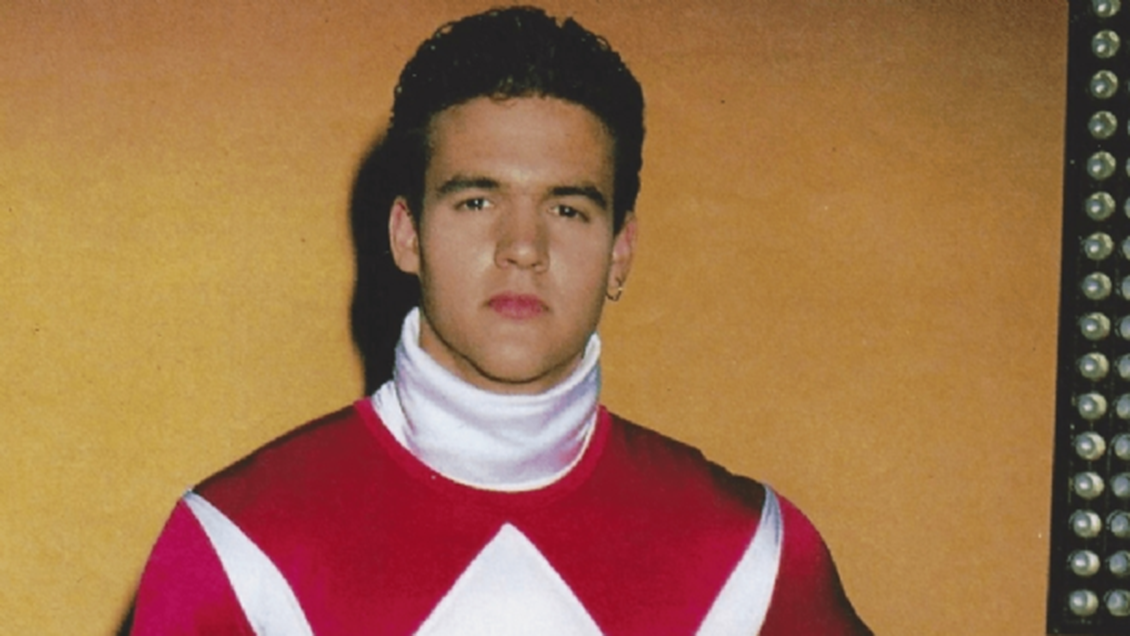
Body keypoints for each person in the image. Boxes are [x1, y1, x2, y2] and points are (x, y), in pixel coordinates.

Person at [129, 6, 870, 635]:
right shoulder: (238, 545)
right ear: (406, 235)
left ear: (620, 251)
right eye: (477, 201)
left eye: (567, 209)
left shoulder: (753, 557)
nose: (523, 247)